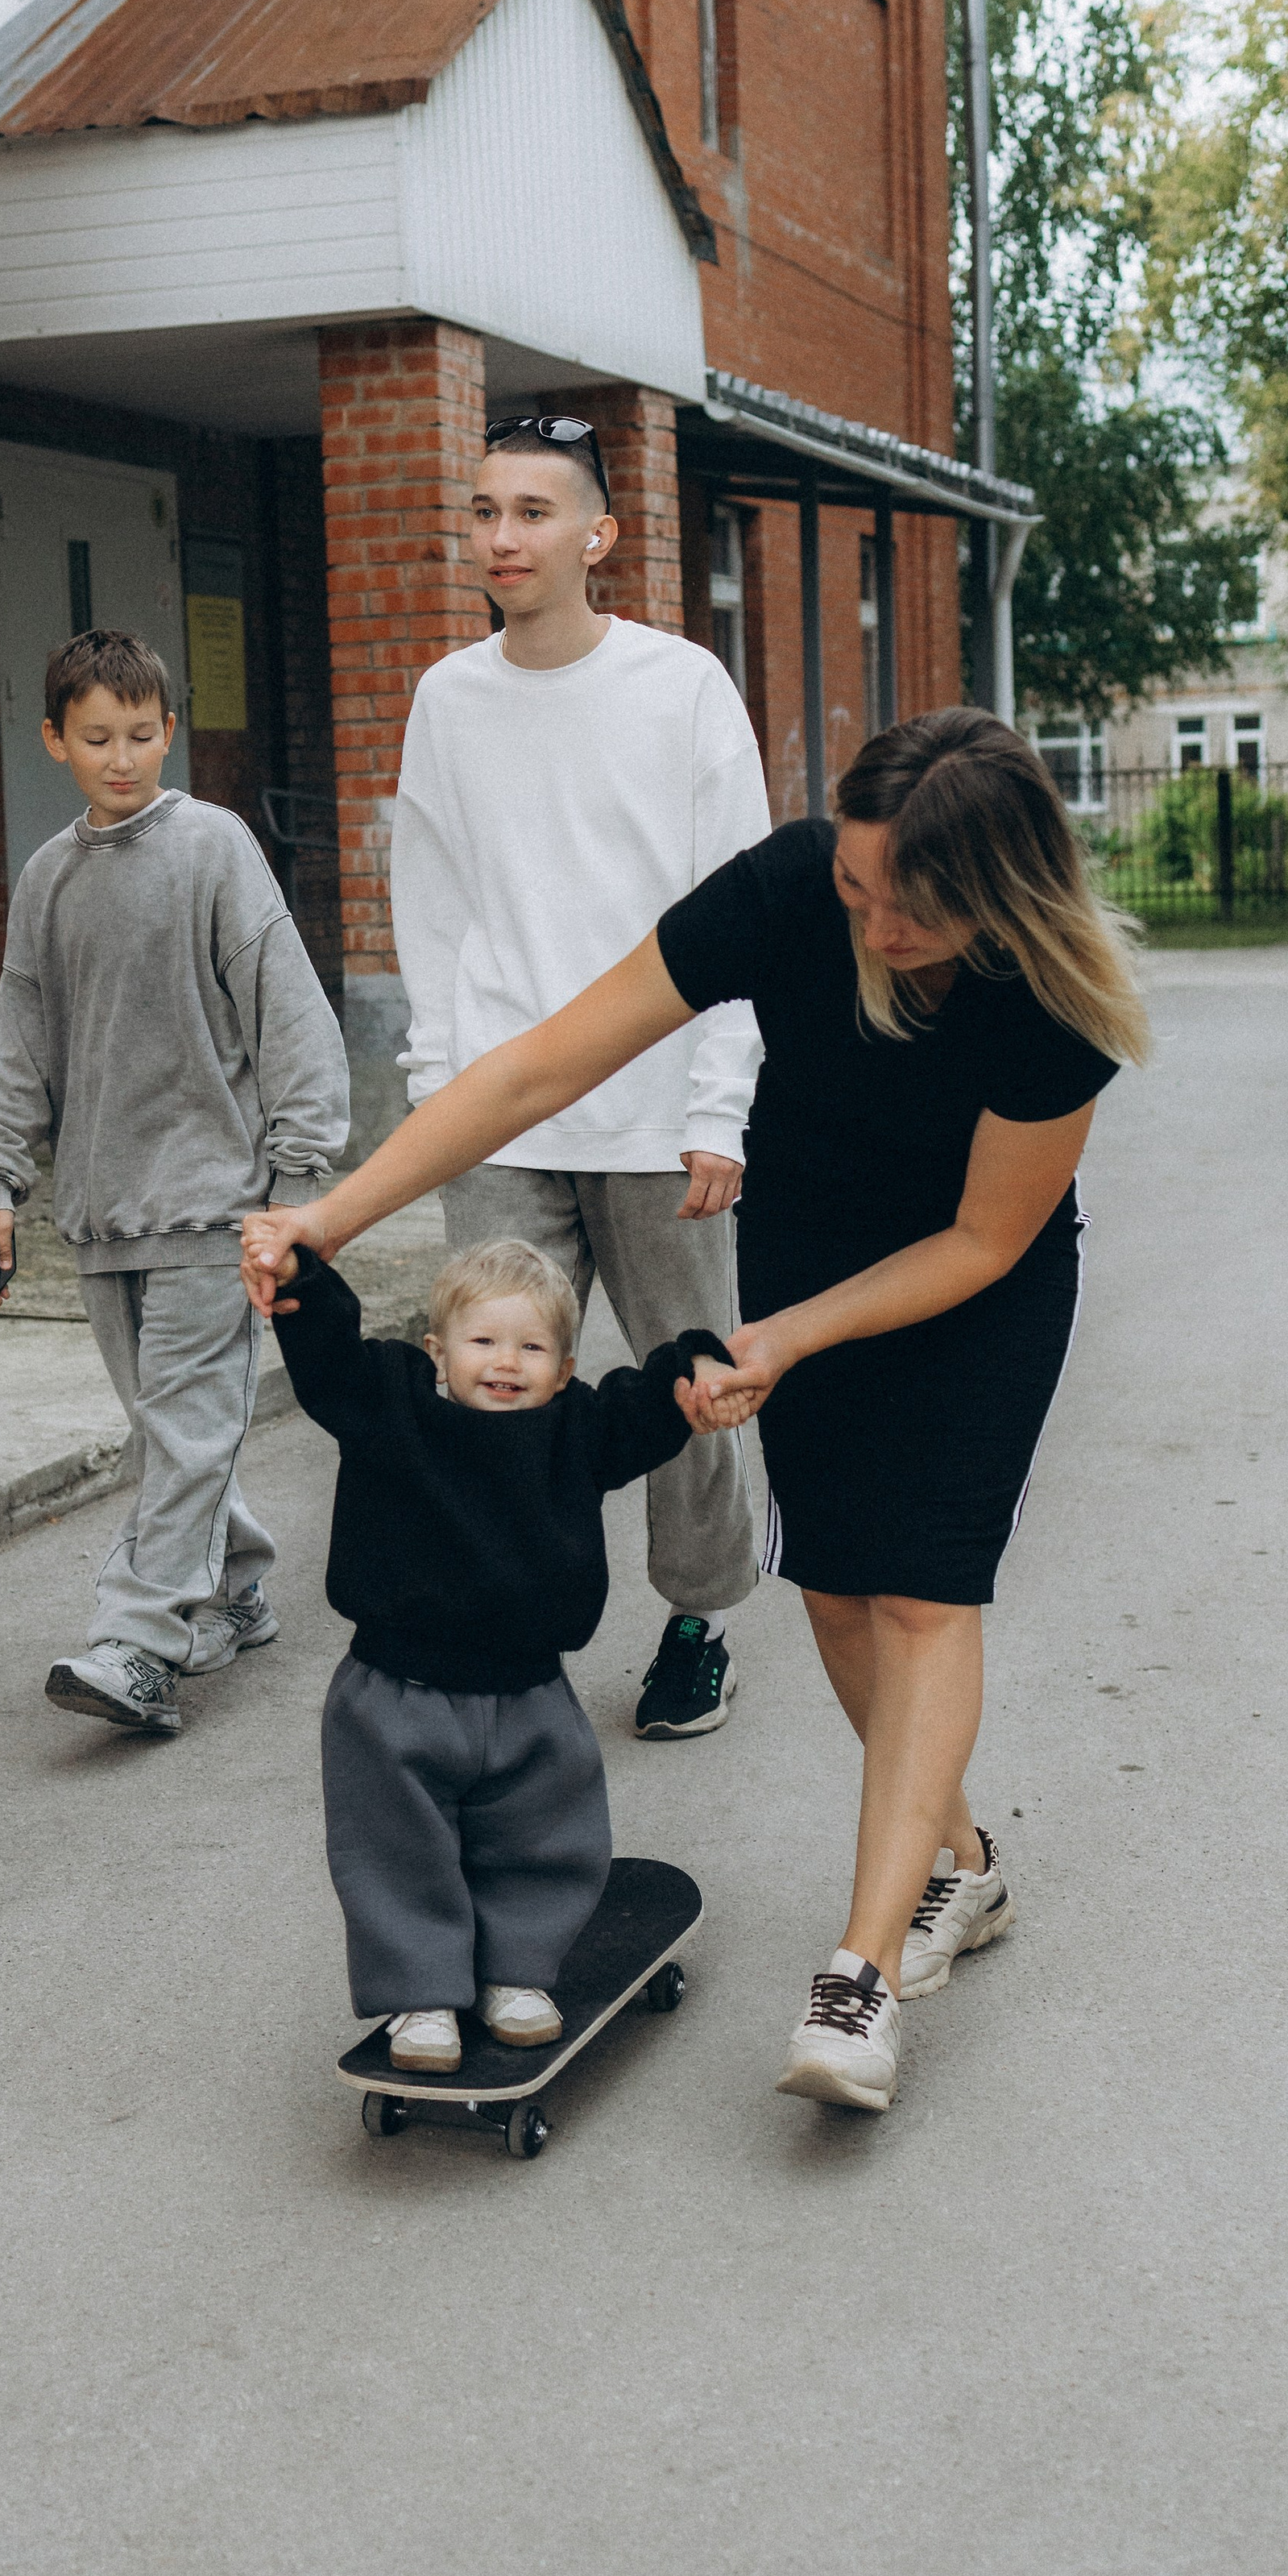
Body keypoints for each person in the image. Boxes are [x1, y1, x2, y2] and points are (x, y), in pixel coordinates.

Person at [244, 709, 1147, 2111]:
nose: (872, 924)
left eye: (912, 910)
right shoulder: (789, 886)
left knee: (922, 1596)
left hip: (976, 1293)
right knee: (839, 1592)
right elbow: (549, 1060)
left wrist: (781, 1337)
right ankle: (958, 1866)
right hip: (809, 1232)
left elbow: (982, 1240)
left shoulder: (1051, 1002)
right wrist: (333, 1216)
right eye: (857, 888)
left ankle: (856, 1975)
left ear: (995, 897)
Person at [391, 411, 769, 1744]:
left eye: (534, 511)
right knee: (488, 1374)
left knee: (694, 1381)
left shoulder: (680, 689)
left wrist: (721, 1099)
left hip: (662, 1112)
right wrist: (441, 1086)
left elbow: (742, 907)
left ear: (599, 534)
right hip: (501, 1105)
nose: (503, 536)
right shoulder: (450, 699)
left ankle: (699, 1617)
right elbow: (428, 903)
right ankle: (500, 1611)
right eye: (486, 510)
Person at [0, 628, 348, 1738]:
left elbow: (291, 1013)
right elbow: (19, 1032)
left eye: (142, 735)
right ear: (55, 741)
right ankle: (230, 1586)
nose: (122, 757)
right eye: (97, 738)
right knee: (166, 1428)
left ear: (169, 732)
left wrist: (293, 1183)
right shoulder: (48, 878)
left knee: (185, 1428)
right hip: (100, 1213)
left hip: (212, 1207)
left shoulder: (215, 848)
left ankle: (136, 1644)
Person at [271, 1230, 732, 2074]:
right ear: (437, 1351)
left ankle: (516, 1974)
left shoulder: (575, 1427)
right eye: (483, 1341)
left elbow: (642, 1405)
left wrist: (696, 1365)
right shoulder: (389, 1403)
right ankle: (421, 1990)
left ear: (562, 1368)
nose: (505, 1361)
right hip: (391, 1694)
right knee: (392, 1847)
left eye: (532, 1346)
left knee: (543, 1834)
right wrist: (299, 1273)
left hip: (530, 1695)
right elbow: (327, 1354)